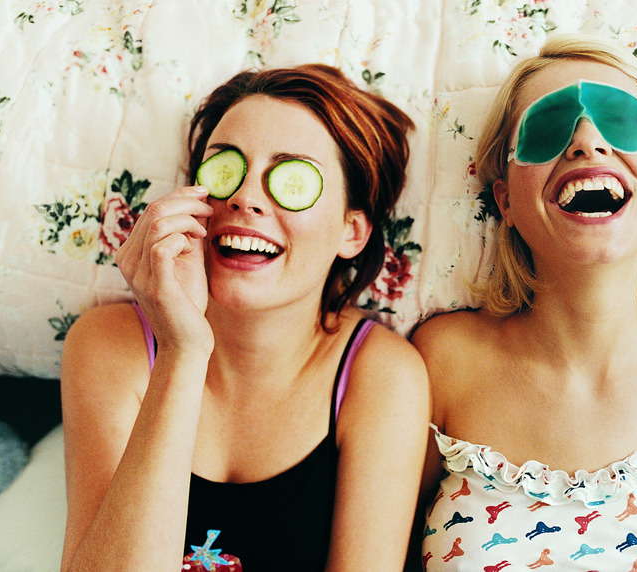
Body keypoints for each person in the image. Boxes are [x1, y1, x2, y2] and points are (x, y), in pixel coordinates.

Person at [412, 34, 637, 571]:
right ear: (504, 198)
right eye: (549, 127)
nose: (588, 144)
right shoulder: (440, 363)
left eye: (619, 120)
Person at [60, 64, 430, 571]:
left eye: (292, 178)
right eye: (225, 169)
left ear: (353, 231)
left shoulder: (382, 375)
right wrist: (182, 351)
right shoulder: (110, 344)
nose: (244, 197)